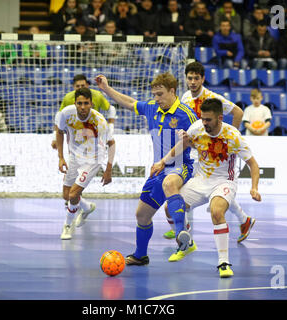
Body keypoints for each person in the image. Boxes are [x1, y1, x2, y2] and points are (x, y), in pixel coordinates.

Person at [151, 98, 262, 277]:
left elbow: (253, 164)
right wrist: (163, 162)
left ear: (219, 118)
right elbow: (184, 144)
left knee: (217, 212)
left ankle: (224, 263)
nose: (204, 123)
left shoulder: (233, 136)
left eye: (208, 120)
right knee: (170, 209)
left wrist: (254, 188)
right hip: (200, 180)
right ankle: (186, 242)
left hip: (224, 181)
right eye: (202, 118)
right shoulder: (197, 127)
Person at [96, 72, 198, 265]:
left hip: (180, 166)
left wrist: (173, 154)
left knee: (170, 183)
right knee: (141, 215)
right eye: (154, 95)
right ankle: (140, 255)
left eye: (160, 94)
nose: (156, 99)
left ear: (172, 91)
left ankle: (183, 239)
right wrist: (106, 89)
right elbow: (129, 102)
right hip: (158, 169)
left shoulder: (186, 114)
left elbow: (193, 142)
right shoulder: (152, 108)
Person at [164, 61, 255, 242]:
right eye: (189, 78)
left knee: (217, 185)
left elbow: (238, 112)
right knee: (209, 186)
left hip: (219, 152)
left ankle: (183, 227)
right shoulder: (185, 97)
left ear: (202, 79)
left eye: (196, 78)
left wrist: (227, 140)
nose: (192, 82)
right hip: (199, 150)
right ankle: (243, 220)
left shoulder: (213, 97)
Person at [55, 87, 115, 240]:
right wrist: (61, 157)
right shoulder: (66, 113)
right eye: (79, 103)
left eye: (86, 103)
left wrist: (108, 169)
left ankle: (67, 226)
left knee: (74, 194)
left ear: (92, 104)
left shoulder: (100, 121)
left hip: (93, 160)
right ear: (75, 103)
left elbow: (111, 143)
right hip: (75, 157)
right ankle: (87, 208)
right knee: (66, 195)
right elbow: (59, 132)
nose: (82, 107)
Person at [52, 74, 116, 147]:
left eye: (83, 86)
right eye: (77, 86)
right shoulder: (68, 98)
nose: (80, 88)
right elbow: (59, 115)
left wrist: (110, 130)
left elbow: (111, 109)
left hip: (94, 128)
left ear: (87, 85)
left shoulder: (97, 95)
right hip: (76, 130)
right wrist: (55, 137)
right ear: (73, 87)